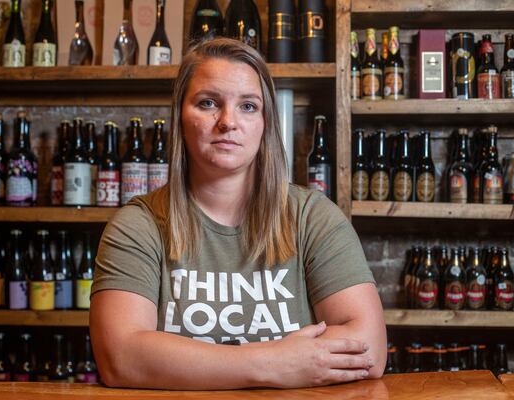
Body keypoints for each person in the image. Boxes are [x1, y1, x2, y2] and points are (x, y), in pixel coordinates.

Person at [90, 38, 386, 390]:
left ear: (265, 124)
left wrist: (191, 362)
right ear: (180, 116)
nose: (228, 121)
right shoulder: (138, 226)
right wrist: (273, 362)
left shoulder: (313, 218)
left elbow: (369, 349)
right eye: (208, 103)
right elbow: (121, 358)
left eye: (248, 106)